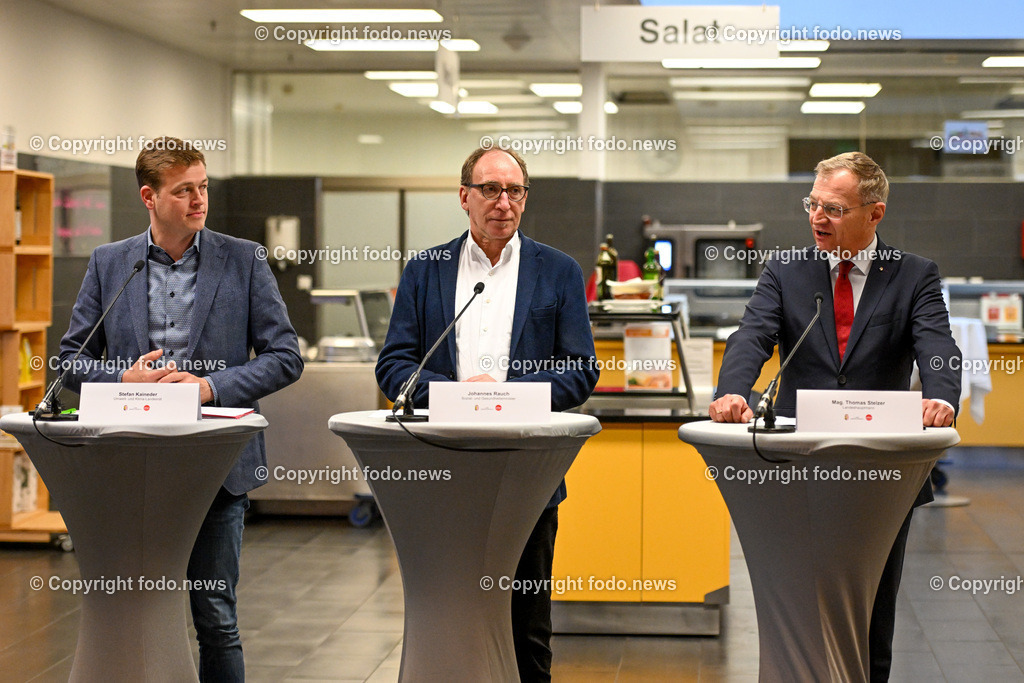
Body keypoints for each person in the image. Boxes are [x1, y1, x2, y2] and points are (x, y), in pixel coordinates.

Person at [59, 137, 304, 681]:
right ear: (149, 196)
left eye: (203, 187)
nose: (199, 200)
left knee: (216, 619)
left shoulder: (244, 260)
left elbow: (286, 356)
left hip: (216, 468)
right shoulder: (109, 263)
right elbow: (70, 361)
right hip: (131, 466)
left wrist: (208, 388)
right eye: (183, 190)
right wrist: (123, 376)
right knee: (132, 613)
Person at [709, 151, 960, 681]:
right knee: (798, 601)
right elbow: (753, 335)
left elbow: (937, 344)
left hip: (880, 474)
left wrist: (941, 396)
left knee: (871, 611)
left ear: (875, 213)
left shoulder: (914, 275)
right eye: (813, 204)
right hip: (797, 466)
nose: (818, 218)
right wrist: (734, 391)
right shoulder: (786, 270)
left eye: (835, 209)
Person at [376, 146, 599, 681]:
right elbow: (395, 367)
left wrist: (507, 394)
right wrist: (455, 393)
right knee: (448, 615)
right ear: (464, 197)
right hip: (442, 473)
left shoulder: (559, 271)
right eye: (490, 190)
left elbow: (581, 370)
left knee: (528, 628)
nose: (504, 202)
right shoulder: (425, 270)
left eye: (515, 191)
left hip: (529, 474)